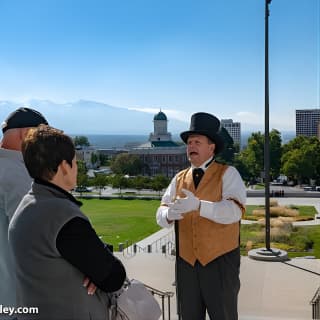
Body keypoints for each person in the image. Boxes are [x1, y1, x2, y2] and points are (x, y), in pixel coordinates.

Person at [9, 125, 126, 320]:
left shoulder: (26, 205)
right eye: (74, 163)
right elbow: (114, 277)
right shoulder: (62, 216)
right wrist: (96, 270)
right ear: (64, 166)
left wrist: (94, 267)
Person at [156, 112, 246, 320]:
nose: (191, 146)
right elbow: (160, 213)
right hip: (186, 265)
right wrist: (168, 214)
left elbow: (234, 211)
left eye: (197, 141)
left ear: (211, 147)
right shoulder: (178, 178)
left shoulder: (228, 174)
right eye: (189, 142)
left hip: (220, 264)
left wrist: (199, 206)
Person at [0, 107, 48, 311]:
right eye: (42, 137)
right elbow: (35, 239)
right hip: (17, 301)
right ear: (25, 133)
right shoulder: (16, 173)